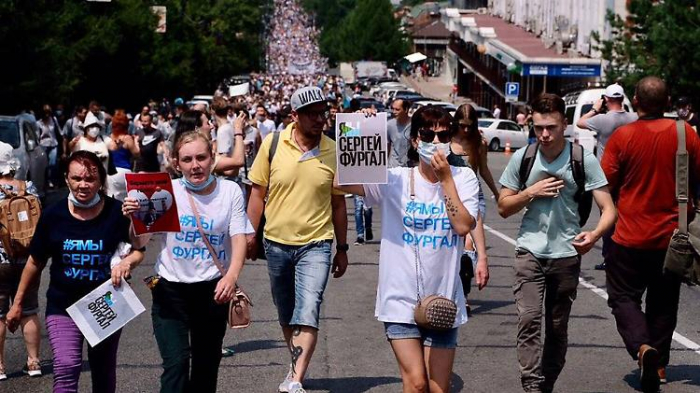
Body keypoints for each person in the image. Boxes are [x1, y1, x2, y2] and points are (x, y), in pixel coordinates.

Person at [335, 106, 480, 393]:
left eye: (443, 135)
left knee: (438, 388)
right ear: (415, 140)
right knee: (416, 383)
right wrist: (362, 129)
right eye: (428, 134)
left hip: (443, 298)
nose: (436, 142)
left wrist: (446, 180)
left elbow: (464, 226)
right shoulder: (395, 179)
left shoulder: (464, 179)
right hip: (399, 299)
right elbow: (339, 182)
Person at [497, 93, 616, 393]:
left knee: (557, 327)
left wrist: (594, 235)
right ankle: (532, 385)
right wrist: (531, 191)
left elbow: (609, 209)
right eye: (538, 128)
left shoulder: (581, 159)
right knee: (528, 320)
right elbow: (503, 206)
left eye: (551, 127)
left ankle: (547, 382)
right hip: (529, 251)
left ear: (565, 124)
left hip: (566, 254)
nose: (545, 134)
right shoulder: (523, 158)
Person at [6, 151, 145, 393]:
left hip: (106, 303)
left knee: (103, 372)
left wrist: (127, 263)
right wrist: (17, 303)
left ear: (100, 181)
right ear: (67, 179)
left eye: (90, 179)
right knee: (67, 367)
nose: (83, 185)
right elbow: (34, 262)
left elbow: (138, 249)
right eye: (77, 178)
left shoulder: (117, 211)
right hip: (63, 306)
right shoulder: (53, 215)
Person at [123, 130, 250, 393]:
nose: (195, 166)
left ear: (212, 158)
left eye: (201, 158)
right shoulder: (165, 191)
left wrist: (231, 276)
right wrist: (135, 219)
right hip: (171, 289)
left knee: (206, 367)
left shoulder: (230, 191)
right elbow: (141, 243)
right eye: (188, 159)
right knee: (176, 366)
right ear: (175, 162)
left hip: (213, 291)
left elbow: (240, 239)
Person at [247, 86, 348, 393]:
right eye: (312, 113)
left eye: (324, 112)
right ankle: (294, 364)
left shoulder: (334, 150)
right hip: (276, 243)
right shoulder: (273, 144)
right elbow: (257, 193)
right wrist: (249, 236)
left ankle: (296, 377)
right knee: (286, 310)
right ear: (295, 116)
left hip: (317, 243)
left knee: (308, 308)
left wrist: (341, 249)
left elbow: (339, 204)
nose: (320, 119)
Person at [601, 76, 700, 392]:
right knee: (664, 303)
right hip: (674, 237)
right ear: (668, 100)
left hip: (628, 235)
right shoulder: (687, 135)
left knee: (622, 297)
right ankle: (658, 367)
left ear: (636, 100)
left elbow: (605, 183)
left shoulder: (623, 137)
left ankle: (643, 348)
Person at [576, 83, 638, 270]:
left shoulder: (602, 119)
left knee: (607, 214)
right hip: (629, 172)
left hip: (607, 174)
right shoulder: (633, 118)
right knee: (626, 214)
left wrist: (595, 108)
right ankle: (627, 255)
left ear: (607, 99)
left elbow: (580, 122)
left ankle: (609, 256)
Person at [449, 104, 498, 314]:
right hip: (452, 197)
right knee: (455, 248)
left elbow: (484, 169)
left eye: (469, 126)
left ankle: (464, 296)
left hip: (474, 197)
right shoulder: (446, 140)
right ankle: (453, 290)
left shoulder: (479, 143)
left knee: (469, 245)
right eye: (462, 126)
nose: (466, 130)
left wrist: (497, 192)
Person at [0, 142, 41, 380]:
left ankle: (1, 367)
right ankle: (34, 362)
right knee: (29, 310)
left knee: (0, 313)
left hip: (0, 260)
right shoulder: (29, 188)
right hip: (28, 260)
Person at [106, 110, 139, 201]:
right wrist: (136, 141)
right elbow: (137, 154)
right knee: (124, 200)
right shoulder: (127, 138)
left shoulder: (109, 138)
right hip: (124, 171)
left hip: (110, 172)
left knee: (110, 199)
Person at [36, 104, 62, 188]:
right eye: (45, 112)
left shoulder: (53, 120)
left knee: (52, 163)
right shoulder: (38, 123)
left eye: (48, 112)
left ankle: (51, 180)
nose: (47, 114)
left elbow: (59, 131)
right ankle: (44, 180)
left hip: (53, 143)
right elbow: (37, 136)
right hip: (43, 144)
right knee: (44, 164)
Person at [387, 99, 412, 168]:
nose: (394, 112)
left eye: (397, 109)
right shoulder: (389, 125)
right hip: (393, 167)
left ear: (406, 110)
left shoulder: (414, 125)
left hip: (409, 167)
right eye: (393, 109)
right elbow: (387, 147)